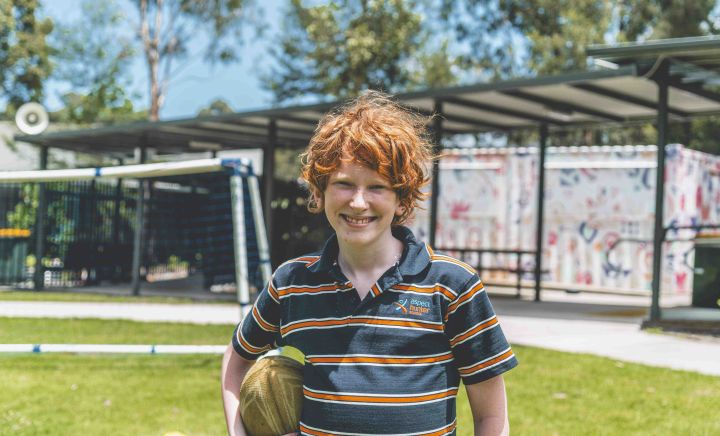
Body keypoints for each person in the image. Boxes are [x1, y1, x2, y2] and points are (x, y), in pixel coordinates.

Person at [221, 91, 517, 435]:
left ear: (401, 198)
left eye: (377, 187)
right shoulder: (292, 283)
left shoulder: (451, 284)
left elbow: (491, 417)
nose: (359, 203)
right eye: (344, 184)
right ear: (319, 191)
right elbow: (236, 357)